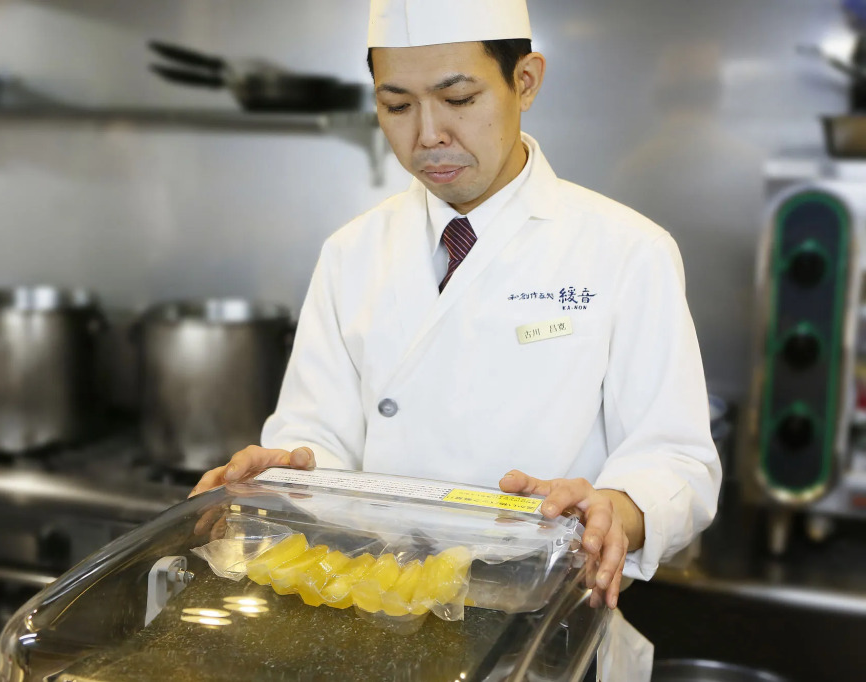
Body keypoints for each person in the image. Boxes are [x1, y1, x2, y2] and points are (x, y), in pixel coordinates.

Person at [191, 0, 721, 623]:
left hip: (543, 622)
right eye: (397, 106)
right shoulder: (352, 252)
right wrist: (286, 473)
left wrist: (620, 510)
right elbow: (319, 439)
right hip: (376, 610)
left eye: (459, 99)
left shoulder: (627, 250)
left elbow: (677, 461)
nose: (428, 135)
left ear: (525, 81)